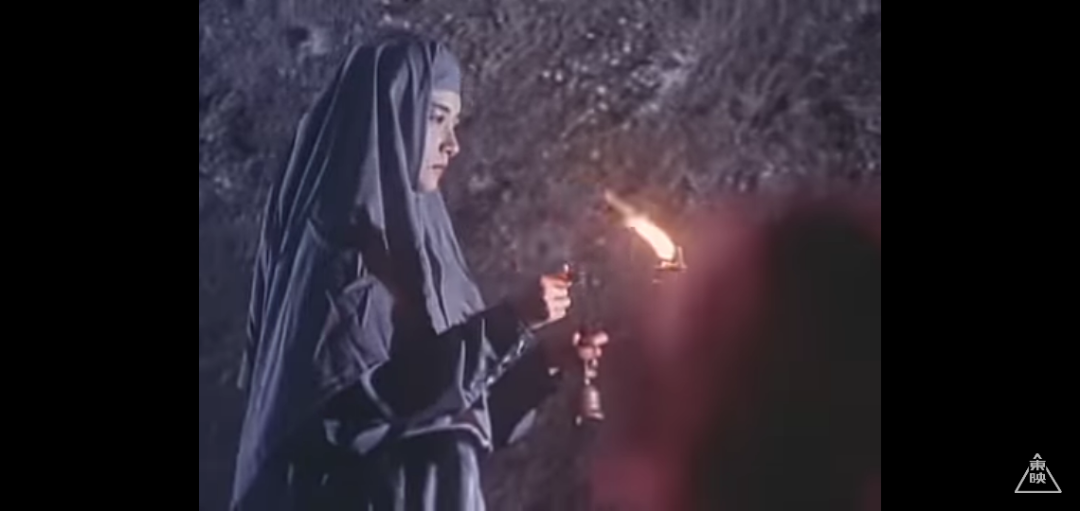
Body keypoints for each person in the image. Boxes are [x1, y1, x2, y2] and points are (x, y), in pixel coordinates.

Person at [230, 31, 608, 511]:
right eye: (435, 118)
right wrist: (508, 323)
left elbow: (456, 419)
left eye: (455, 123)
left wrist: (545, 364)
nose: (453, 144)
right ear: (390, 117)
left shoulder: (431, 253)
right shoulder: (341, 259)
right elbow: (364, 412)